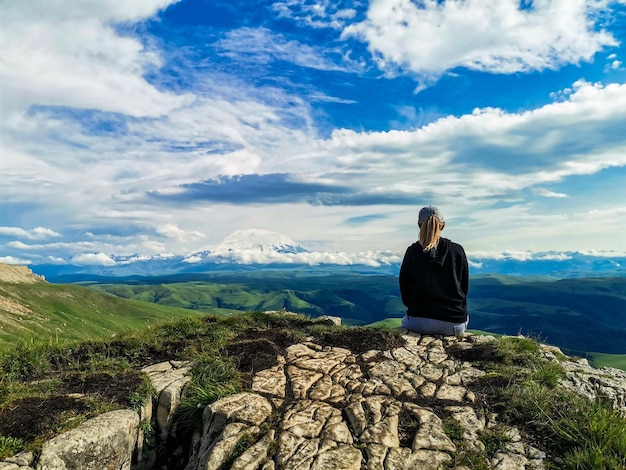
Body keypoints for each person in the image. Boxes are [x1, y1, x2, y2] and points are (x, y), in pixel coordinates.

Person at [399, 205, 469, 336]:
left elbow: (405, 289)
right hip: (454, 324)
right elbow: (464, 288)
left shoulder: (412, 252)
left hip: (418, 321)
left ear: (419, 225)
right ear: (442, 226)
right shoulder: (457, 250)